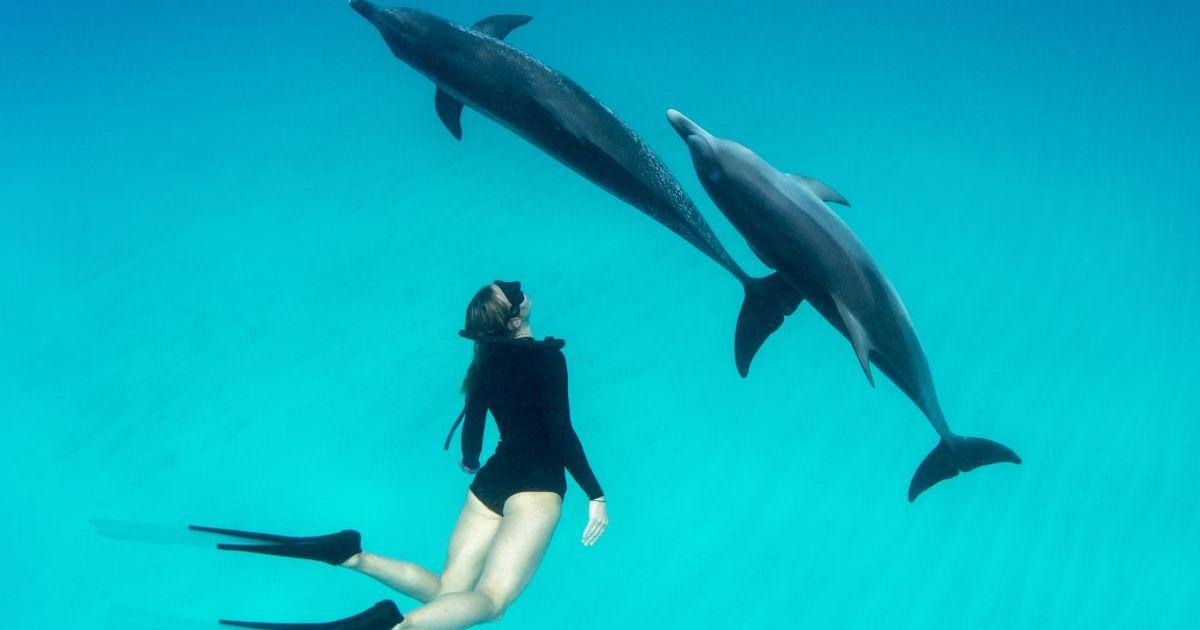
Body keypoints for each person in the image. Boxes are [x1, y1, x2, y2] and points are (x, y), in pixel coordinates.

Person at [194, 280, 608, 630]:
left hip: (490, 484)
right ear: (515, 321)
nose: (520, 289)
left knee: (449, 590)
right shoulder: (548, 359)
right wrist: (595, 496)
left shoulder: (485, 362)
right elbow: (560, 431)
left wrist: (470, 462)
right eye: (514, 293)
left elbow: (474, 427)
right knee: (492, 601)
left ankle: (352, 555)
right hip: (535, 487)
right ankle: (398, 625)